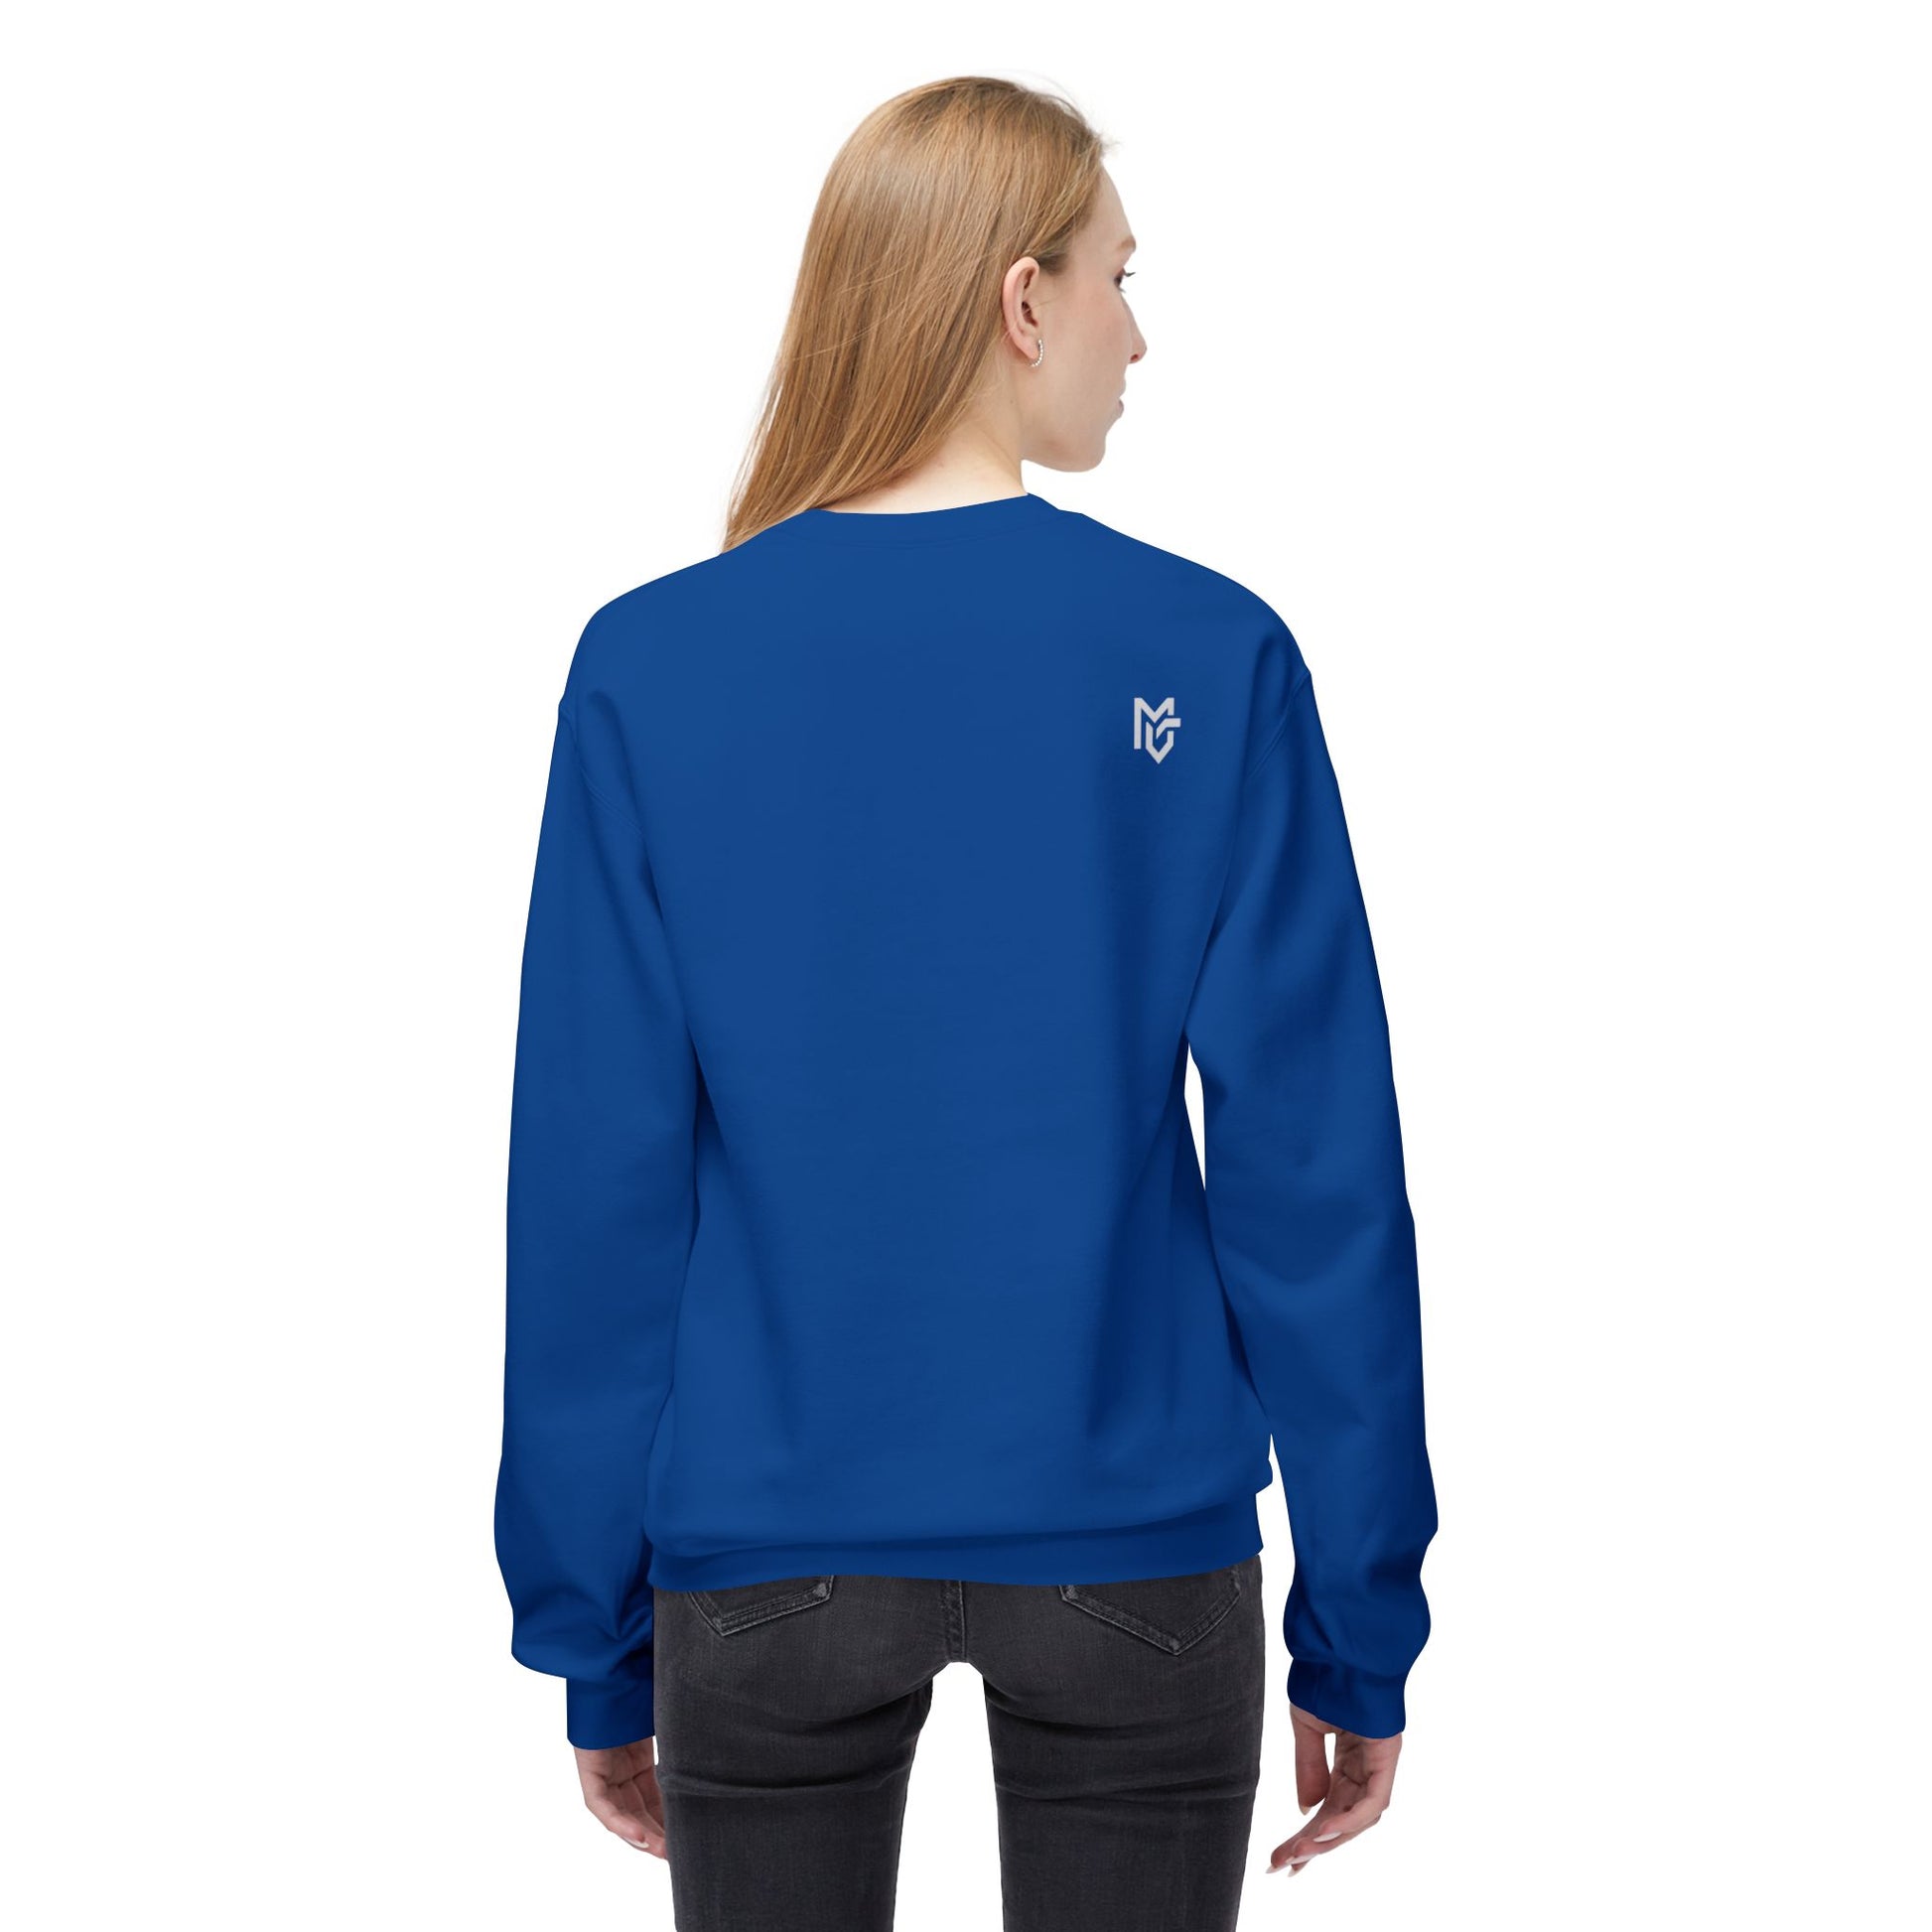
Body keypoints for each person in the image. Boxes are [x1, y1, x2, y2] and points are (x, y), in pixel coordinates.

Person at [493, 73, 1438, 1932]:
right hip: (1131, 1545)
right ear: (1021, 299)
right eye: (1115, 278)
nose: (1134, 335)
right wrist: (1358, 1614)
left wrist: (592, 1630)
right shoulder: (1205, 653)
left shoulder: (651, 667)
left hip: (760, 1561)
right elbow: (1311, 1175)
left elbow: (596, 1187)